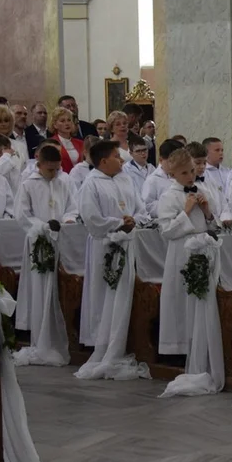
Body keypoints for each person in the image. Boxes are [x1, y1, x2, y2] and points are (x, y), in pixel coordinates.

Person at [76, 140, 149, 350]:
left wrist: (134, 220)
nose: (121, 159)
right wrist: (118, 224)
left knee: (126, 291)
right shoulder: (91, 184)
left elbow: (141, 209)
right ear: (104, 161)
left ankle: (125, 337)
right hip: (104, 245)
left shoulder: (126, 179)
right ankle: (100, 338)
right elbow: (91, 219)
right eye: (117, 156)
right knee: (103, 291)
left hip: (129, 242)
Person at [12, 144, 78, 366]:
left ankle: (61, 335)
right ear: (39, 165)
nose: (54, 173)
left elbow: (72, 206)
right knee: (41, 289)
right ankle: (41, 338)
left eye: (57, 169)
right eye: (50, 170)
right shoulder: (28, 184)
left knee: (60, 286)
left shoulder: (63, 181)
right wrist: (42, 227)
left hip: (62, 240)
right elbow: (22, 215)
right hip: (38, 242)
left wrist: (67, 220)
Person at [157, 149, 218, 356]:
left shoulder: (202, 190)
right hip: (181, 252)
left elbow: (213, 224)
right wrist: (187, 211)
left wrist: (207, 210)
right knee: (181, 297)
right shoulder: (168, 197)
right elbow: (166, 230)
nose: (191, 176)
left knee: (202, 297)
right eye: (184, 173)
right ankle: (179, 347)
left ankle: (202, 340)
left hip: (203, 249)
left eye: (192, 171)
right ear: (173, 174)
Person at [142, 138, 186, 217]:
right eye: (172, 161)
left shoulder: (184, 175)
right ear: (161, 160)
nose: (176, 165)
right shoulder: (152, 180)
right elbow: (147, 206)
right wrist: (169, 205)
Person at [50, 107, 84, 174]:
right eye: (62, 121)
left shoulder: (81, 143)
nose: (67, 123)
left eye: (69, 120)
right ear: (55, 125)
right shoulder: (51, 143)